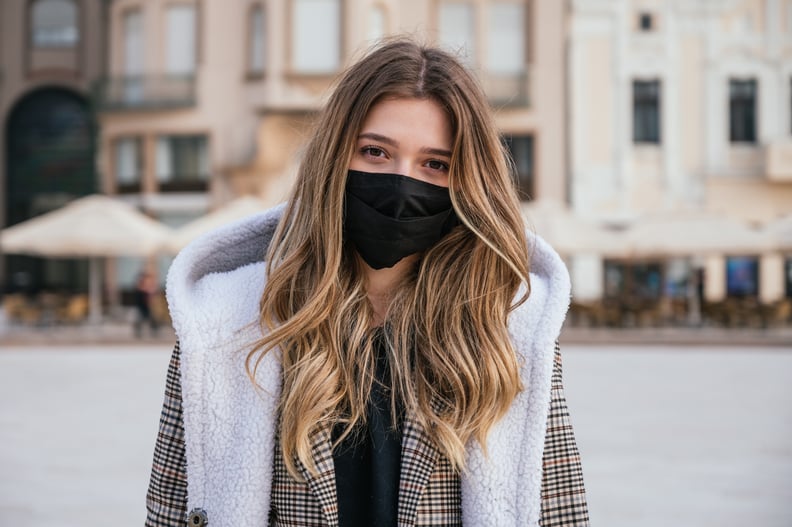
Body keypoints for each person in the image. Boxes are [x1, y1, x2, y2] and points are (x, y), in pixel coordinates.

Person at [145, 38, 590, 527]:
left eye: (435, 164)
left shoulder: (510, 333)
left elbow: (558, 512)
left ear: (467, 181)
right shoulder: (226, 328)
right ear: (335, 158)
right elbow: (172, 511)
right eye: (375, 152)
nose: (402, 182)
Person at [134, 271, 159, 338]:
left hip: (148, 306)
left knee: (151, 319)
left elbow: (153, 296)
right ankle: (138, 332)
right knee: (140, 319)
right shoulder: (140, 287)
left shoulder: (148, 288)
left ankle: (154, 331)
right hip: (141, 306)